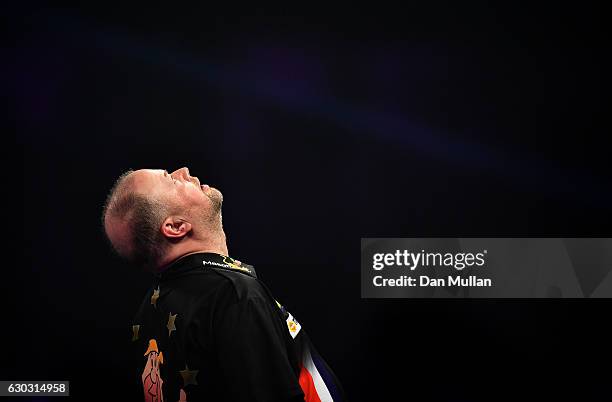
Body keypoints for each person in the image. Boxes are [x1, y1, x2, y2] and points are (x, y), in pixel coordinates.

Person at [102, 167, 345, 402]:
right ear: (176, 226)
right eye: (171, 180)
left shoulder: (147, 314)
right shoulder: (234, 294)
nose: (184, 171)